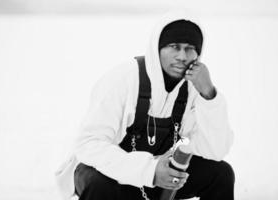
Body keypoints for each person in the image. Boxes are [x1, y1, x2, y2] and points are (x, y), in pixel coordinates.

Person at [55, 12, 235, 200]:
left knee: (220, 173)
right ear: (157, 48)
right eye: (174, 47)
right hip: (109, 174)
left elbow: (215, 150)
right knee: (98, 183)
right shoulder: (123, 80)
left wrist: (209, 95)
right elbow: (89, 144)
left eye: (190, 48)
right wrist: (150, 170)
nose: (182, 56)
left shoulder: (195, 89)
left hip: (158, 178)